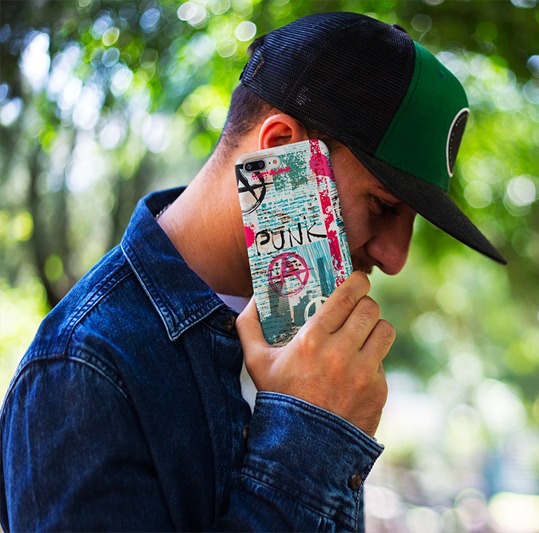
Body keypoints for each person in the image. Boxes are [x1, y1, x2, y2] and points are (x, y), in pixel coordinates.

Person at [0, 11, 506, 531]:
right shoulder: (82, 368)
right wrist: (310, 432)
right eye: (382, 205)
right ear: (282, 147)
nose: (396, 258)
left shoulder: (308, 341)